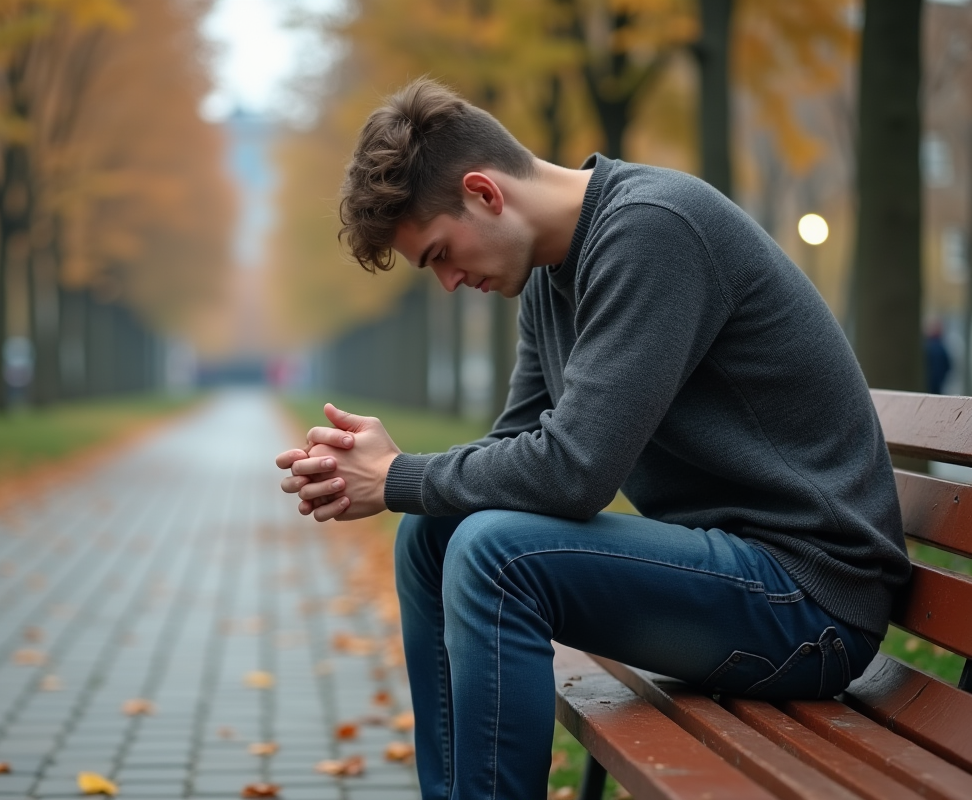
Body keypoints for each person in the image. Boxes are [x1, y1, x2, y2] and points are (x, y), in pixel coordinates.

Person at [274, 79, 909, 800]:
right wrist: (400, 476)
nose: (449, 282)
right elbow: (517, 448)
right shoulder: (550, 276)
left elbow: (574, 474)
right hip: (736, 579)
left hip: (809, 606)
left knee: (494, 555)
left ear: (485, 193)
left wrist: (396, 477)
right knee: (434, 536)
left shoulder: (653, 229)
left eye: (442, 254)